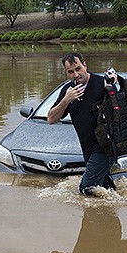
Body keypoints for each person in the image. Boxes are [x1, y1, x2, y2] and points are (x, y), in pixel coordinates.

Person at [47, 52, 117, 195]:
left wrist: (115, 83)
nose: (76, 74)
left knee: (86, 188)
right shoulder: (68, 91)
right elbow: (51, 119)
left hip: (106, 146)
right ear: (66, 73)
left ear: (85, 65)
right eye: (71, 72)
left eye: (78, 69)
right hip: (88, 148)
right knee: (106, 189)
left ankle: (91, 217)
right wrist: (66, 100)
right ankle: (110, 214)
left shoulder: (102, 84)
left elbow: (121, 108)